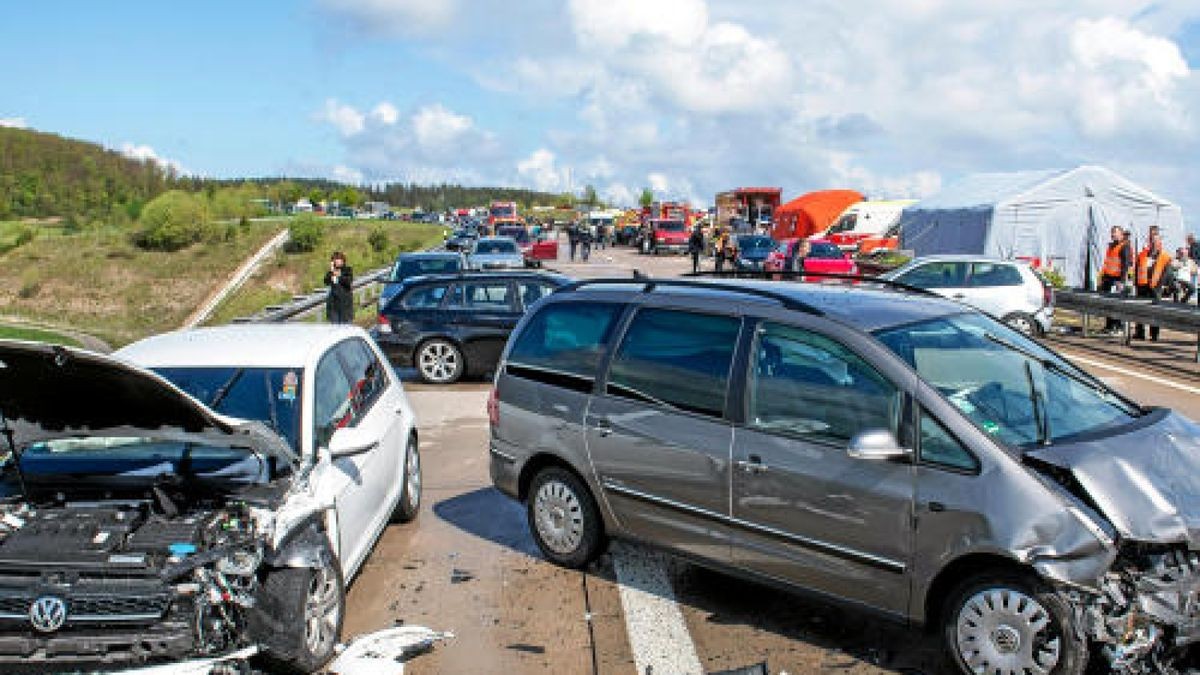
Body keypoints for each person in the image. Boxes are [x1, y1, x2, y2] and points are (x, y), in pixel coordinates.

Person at [1132, 233, 1171, 341]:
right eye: (1152, 241)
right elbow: (1136, 269)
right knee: (1139, 310)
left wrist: (1160, 285)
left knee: (1154, 311)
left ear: (1160, 242)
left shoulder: (1165, 257)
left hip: (1155, 288)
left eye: (1156, 241)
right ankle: (1139, 332)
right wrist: (1135, 283)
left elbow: (1167, 273)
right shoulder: (1142, 255)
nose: (1154, 243)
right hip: (1142, 286)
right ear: (1149, 242)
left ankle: (1154, 335)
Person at [1098, 226, 1132, 334]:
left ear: (1121, 234)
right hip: (1108, 277)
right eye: (1112, 233)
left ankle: (1118, 326)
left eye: (1115, 233)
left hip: (1117, 279)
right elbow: (1107, 262)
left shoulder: (1124, 246)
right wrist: (1103, 277)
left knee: (1116, 304)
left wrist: (1122, 281)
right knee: (1107, 303)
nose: (1113, 235)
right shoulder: (1111, 246)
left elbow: (1125, 264)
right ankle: (1109, 325)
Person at [323, 251, 354, 324]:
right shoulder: (331, 272)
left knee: (346, 329)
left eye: (338, 259)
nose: (336, 261)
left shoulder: (347, 270)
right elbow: (326, 281)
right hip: (334, 306)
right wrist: (332, 271)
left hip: (345, 305)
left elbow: (348, 281)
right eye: (334, 259)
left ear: (343, 260)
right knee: (335, 330)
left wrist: (339, 275)